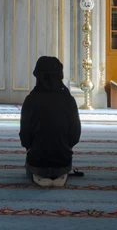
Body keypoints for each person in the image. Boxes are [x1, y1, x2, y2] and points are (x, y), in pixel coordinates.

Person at [19, 56, 82, 187]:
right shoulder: (68, 100)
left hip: (37, 163)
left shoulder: (31, 100)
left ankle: (38, 176)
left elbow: (25, 136)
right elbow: (75, 135)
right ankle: (60, 176)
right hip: (63, 163)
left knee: (31, 165)